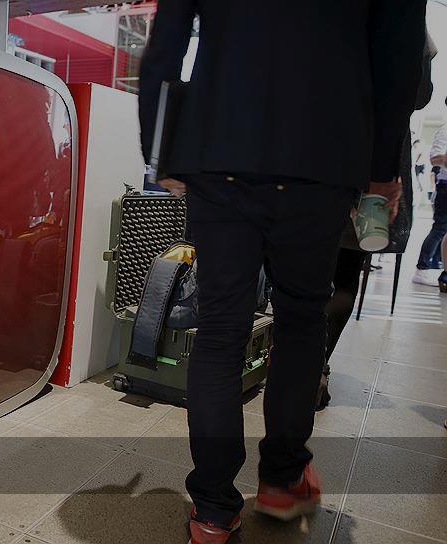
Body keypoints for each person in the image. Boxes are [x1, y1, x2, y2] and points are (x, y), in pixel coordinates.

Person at [138, 2, 426, 542]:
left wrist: (160, 151)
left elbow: (166, 41)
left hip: (218, 149)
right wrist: (381, 169)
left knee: (220, 329)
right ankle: (282, 481)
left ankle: (212, 512)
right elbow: (399, 56)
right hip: (322, 156)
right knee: (300, 321)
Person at [319, 31, 436, 411]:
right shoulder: (409, 28)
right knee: (347, 269)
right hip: (377, 162)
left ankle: (296, 361)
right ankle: (315, 369)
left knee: (300, 265)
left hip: (318, 149)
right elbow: (419, 96)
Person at [416, 115, 447, 286]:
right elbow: (434, 158)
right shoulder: (445, 130)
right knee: (440, 228)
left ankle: (438, 267)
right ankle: (422, 268)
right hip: (445, 185)